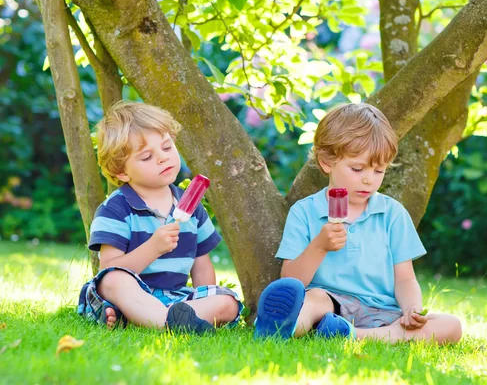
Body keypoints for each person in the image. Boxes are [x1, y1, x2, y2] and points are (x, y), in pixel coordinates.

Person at [254, 103, 462, 344]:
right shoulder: (305, 212)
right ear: (326, 162)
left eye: (378, 171)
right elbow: (291, 280)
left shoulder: (393, 214)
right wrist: (319, 246)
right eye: (357, 168)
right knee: (313, 300)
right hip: (330, 306)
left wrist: (412, 309)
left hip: (384, 311)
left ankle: (353, 335)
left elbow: (405, 279)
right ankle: (279, 326)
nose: (368, 180)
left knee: (451, 326)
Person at [77, 101, 242, 334]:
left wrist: (206, 297)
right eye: (146, 157)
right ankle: (167, 322)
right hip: (131, 294)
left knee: (228, 301)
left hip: (175, 297)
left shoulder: (191, 206)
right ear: (121, 172)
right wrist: (153, 248)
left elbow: (202, 266)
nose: (163, 158)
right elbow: (109, 268)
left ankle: (168, 318)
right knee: (113, 281)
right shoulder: (115, 209)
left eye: (166, 147)